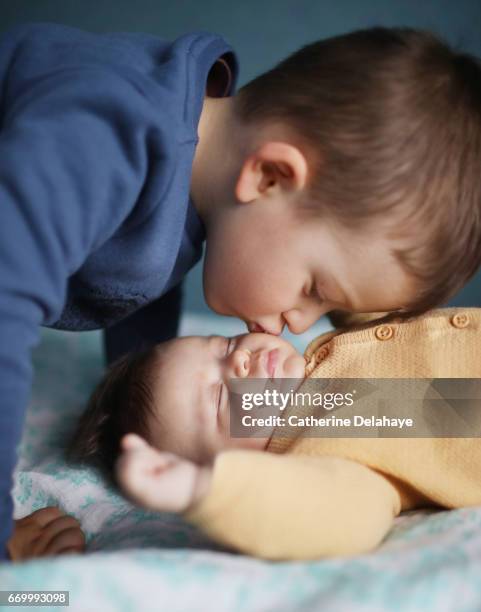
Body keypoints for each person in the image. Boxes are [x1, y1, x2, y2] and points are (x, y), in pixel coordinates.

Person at [1, 23, 481, 562]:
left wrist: (134, 374)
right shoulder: (103, 137)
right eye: (315, 288)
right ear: (270, 177)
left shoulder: (171, 169)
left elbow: (137, 274)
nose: (301, 324)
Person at [57, 307, 481, 560]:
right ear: (242, 465)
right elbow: (334, 518)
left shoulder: (345, 337)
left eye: (222, 346)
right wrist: (206, 490)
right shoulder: (323, 452)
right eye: (222, 399)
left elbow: (374, 282)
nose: (239, 362)